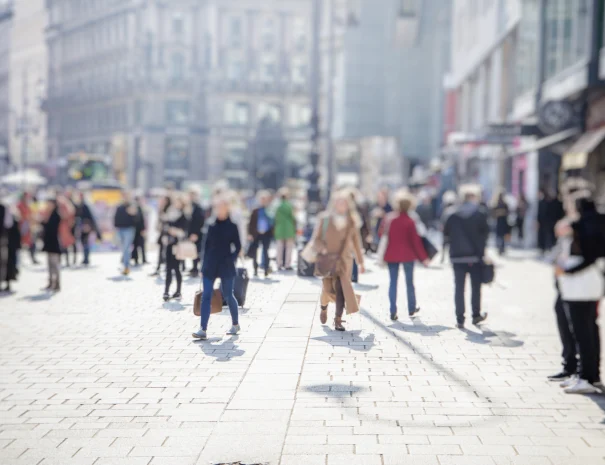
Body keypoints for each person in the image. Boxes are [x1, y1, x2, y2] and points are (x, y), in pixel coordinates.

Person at [556, 196, 604, 394]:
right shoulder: (601, 222)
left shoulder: (578, 226)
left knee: (581, 332)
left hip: (578, 287)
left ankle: (586, 376)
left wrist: (568, 272)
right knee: (591, 328)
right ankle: (592, 375)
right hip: (595, 284)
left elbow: (586, 256)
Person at [307, 190, 365, 332]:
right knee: (327, 289)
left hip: (344, 261)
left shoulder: (352, 220)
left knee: (341, 288)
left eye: (344, 202)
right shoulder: (324, 219)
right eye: (339, 202)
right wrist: (324, 250)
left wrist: (361, 261)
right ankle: (323, 307)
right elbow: (316, 239)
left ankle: (338, 319)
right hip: (327, 259)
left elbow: (357, 242)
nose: (341, 205)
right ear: (334, 203)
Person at [193, 194, 242, 340]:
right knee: (206, 295)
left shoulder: (232, 226)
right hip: (210, 265)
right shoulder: (210, 224)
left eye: (222, 206)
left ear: (227, 208)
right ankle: (202, 328)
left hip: (226, 265)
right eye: (217, 207)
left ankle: (235, 324)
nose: (219, 209)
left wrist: (231, 259)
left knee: (228, 295)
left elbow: (238, 246)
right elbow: (205, 246)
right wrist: (202, 266)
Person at [444, 185, 489, 329]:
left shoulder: (451, 214)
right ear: (473, 197)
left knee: (459, 288)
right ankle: (476, 315)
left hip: (457, 257)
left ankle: (460, 319)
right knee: (476, 287)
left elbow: (446, 233)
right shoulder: (480, 214)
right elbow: (486, 234)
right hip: (475, 257)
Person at [380, 191, 429, 321]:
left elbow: (380, 234)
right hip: (408, 255)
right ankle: (411, 307)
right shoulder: (410, 221)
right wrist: (423, 258)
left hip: (391, 254)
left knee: (393, 283)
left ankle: (392, 310)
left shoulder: (389, 218)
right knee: (409, 282)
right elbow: (416, 241)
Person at [547, 217, 578, 382]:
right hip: (564, 284)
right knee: (563, 320)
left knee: (578, 327)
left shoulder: (580, 227)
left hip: (576, 286)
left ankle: (577, 368)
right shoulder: (568, 229)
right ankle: (570, 364)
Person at [163, 195, 188, 301]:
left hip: (178, 245)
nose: (176, 204)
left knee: (177, 269)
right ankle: (166, 291)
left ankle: (178, 291)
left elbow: (185, 231)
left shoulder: (184, 216)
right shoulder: (170, 214)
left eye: (178, 202)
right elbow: (165, 227)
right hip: (169, 244)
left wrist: (176, 231)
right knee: (168, 269)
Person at [248, 191, 273, 277]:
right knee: (255, 251)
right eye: (261, 199)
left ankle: (266, 268)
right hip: (256, 234)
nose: (263, 201)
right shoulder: (255, 210)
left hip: (266, 234)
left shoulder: (269, 210)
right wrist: (250, 234)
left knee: (265, 250)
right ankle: (255, 268)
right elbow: (251, 223)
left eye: (264, 199)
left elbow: (272, 222)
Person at [113, 192, 137, 276]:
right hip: (120, 229)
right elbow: (116, 217)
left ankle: (126, 266)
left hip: (129, 229)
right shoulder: (119, 206)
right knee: (123, 247)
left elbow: (136, 217)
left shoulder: (132, 205)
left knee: (126, 248)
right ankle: (125, 261)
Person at [273, 187, 297, 271]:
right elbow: (293, 217)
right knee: (289, 247)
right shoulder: (289, 205)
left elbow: (274, 217)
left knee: (279, 247)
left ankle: (279, 264)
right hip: (289, 228)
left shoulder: (277, 205)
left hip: (279, 228)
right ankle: (287, 264)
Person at [42, 198, 62, 292]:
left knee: (54, 264)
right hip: (49, 242)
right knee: (50, 264)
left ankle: (57, 283)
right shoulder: (49, 214)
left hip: (54, 242)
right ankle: (51, 282)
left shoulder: (56, 215)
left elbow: (52, 228)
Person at [75, 191, 99, 266]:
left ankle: (86, 259)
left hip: (86, 226)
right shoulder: (81, 205)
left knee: (85, 243)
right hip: (82, 226)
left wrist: (88, 226)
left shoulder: (85, 205)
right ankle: (85, 258)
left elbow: (89, 217)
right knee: (84, 242)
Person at [2, 204, 21, 293]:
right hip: (6, 241)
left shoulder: (6, 209)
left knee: (6, 262)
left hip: (6, 241)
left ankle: (7, 281)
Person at [17, 192, 38, 265]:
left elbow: (31, 214)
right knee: (22, 242)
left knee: (31, 243)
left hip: (28, 225)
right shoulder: (20, 205)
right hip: (22, 225)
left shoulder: (27, 205)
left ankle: (33, 258)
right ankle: (19, 260)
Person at [152, 195, 171, 276]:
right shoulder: (161, 208)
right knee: (160, 249)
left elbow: (169, 220)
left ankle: (166, 267)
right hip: (162, 232)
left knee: (167, 251)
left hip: (168, 232)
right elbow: (159, 220)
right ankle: (159, 267)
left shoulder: (170, 209)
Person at [188, 189, 205, 277]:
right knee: (192, 251)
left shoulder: (199, 207)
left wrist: (195, 233)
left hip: (197, 233)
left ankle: (196, 268)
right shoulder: (190, 206)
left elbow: (200, 221)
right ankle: (193, 267)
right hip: (191, 232)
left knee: (197, 252)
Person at [439, 191, 457, 264]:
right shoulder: (453, 210)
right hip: (451, 230)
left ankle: (444, 257)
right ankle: (445, 257)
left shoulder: (447, 210)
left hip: (448, 229)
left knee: (445, 244)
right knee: (449, 244)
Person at [491, 190, 510, 256]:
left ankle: (502, 248)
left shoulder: (505, 204)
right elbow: (493, 214)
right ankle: (499, 248)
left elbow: (507, 213)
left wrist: (502, 212)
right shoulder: (495, 204)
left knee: (503, 236)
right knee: (498, 236)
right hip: (498, 222)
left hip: (504, 222)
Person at [131, 196, 148, 266]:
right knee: (138, 246)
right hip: (137, 230)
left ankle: (140, 259)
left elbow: (142, 220)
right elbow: (140, 220)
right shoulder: (136, 208)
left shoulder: (138, 208)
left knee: (140, 246)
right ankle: (137, 259)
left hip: (138, 230)